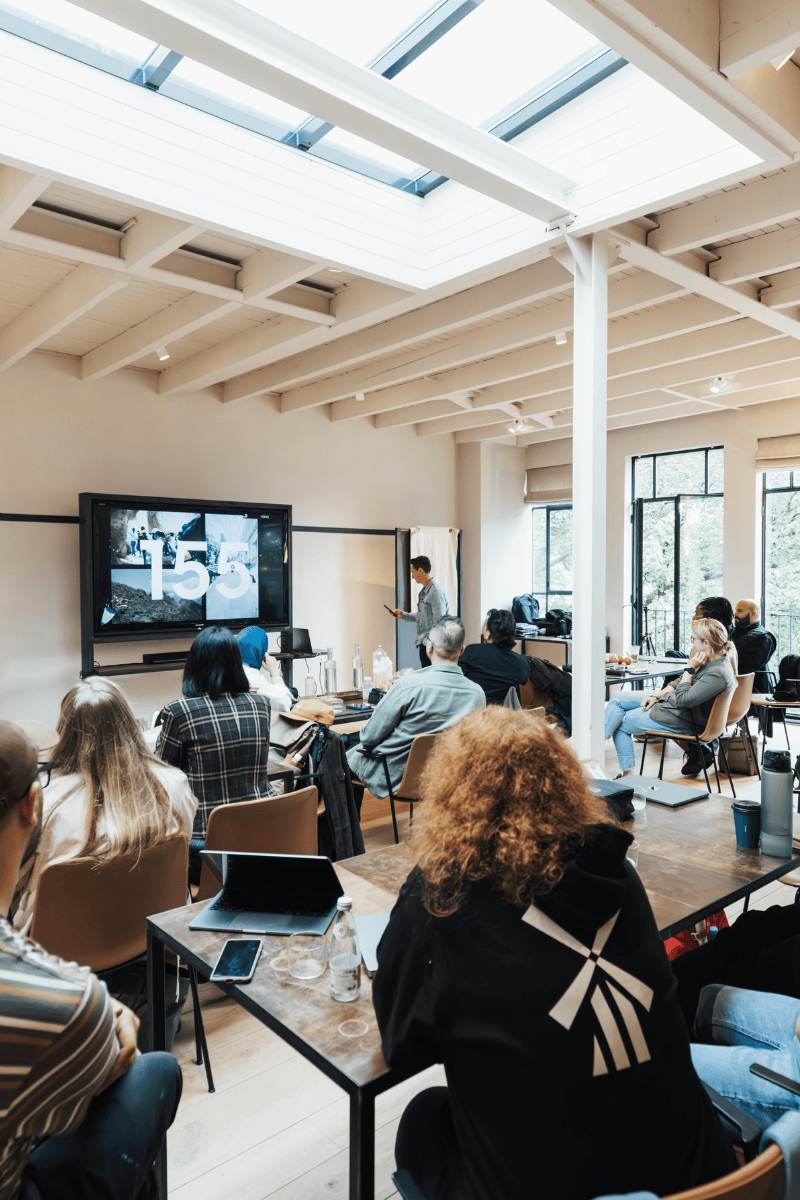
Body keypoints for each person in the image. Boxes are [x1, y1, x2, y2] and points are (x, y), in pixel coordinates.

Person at [373, 708, 736, 1200]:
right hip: (698, 1174)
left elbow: (402, 1044)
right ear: (564, 783)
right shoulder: (618, 873)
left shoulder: (439, 898)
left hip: (552, 1183)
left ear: (452, 793)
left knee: (421, 1118)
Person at [0, 718, 182, 1200]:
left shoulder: (60, 805)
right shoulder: (65, 1006)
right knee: (155, 1070)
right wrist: (96, 1007)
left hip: (71, 952)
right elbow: (111, 1059)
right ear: (30, 805)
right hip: (149, 956)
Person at [12, 678, 197, 935]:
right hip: (156, 934)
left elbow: (12, 879)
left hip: (62, 947)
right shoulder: (175, 784)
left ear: (65, 731)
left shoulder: (42, 800)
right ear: (129, 726)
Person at [156, 625, 275, 886]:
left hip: (206, 848)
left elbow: (161, 775)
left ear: (194, 665)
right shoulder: (261, 705)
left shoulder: (180, 712)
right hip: (261, 838)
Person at [346, 617, 484, 798]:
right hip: (447, 778)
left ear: (429, 647)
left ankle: (349, 827)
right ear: (462, 650)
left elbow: (368, 736)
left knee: (335, 757)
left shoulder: (408, 685)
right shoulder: (477, 694)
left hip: (396, 777)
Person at [605, 618, 736, 777]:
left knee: (622, 722)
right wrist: (656, 696)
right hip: (674, 706)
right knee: (618, 697)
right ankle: (596, 745)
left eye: (693, 638)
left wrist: (689, 669)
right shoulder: (709, 660)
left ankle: (626, 775)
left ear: (706, 643)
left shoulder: (717, 673)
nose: (692, 642)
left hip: (683, 718)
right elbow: (680, 681)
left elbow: (683, 699)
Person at [458, 608, 529, 705]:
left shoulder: (472, 651)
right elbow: (523, 681)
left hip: (471, 712)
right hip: (498, 716)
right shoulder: (522, 663)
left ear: (487, 634)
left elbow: (456, 674)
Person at [391, 556, 450, 668]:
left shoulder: (435, 592)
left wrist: (429, 643)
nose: (412, 576)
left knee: (432, 681)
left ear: (420, 570)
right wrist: (403, 615)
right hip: (426, 645)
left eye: (413, 572)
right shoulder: (424, 592)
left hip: (433, 647)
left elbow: (439, 622)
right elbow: (422, 616)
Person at [236, 627, 293, 712]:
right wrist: (274, 672)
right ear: (262, 653)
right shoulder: (254, 679)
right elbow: (284, 704)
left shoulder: (223, 672)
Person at [732, 598, 776, 692]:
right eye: (735, 610)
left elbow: (745, 669)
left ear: (753, 614)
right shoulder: (734, 632)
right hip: (735, 686)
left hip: (751, 692)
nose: (735, 614)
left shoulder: (763, 638)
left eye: (739, 611)